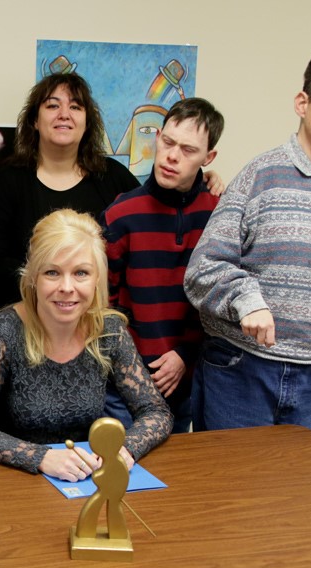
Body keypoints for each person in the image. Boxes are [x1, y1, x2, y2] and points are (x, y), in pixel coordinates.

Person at [184, 45, 311, 435]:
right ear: (302, 102)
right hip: (240, 369)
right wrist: (247, 301)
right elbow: (203, 269)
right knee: (234, 492)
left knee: (297, 494)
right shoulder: (260, 177)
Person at [0, 209, 172, 480]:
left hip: (86, 475)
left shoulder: (109, 330)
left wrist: (125, 448)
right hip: (16, 480)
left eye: (81, 273)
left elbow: (156, 412)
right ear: (33, 277)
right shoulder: (4, 330)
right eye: (52, 272)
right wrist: (40, 457)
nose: (67, 287)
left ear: (97, 279)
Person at [0, 73, 140, 331]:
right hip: (23, 325)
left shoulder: (113, 178)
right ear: (35, 121)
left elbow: (153, 215)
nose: (64, 114)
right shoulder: (7, 181)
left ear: (87, 122)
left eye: (75, 106)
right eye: (52, 105)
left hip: (95, 328)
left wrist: (198, 180)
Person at [101, 98, 225, 433]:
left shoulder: (221, 214)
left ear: (208, 158)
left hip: (188, 374)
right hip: (126, 379)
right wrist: (128, 366)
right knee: (122, 471)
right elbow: (103, 304)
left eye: (188, 150)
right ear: (157, 137)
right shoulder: (121, 214)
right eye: (167, 142)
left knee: (176, 473)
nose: (172, 156)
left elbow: (220, 301)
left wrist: (184, 354)